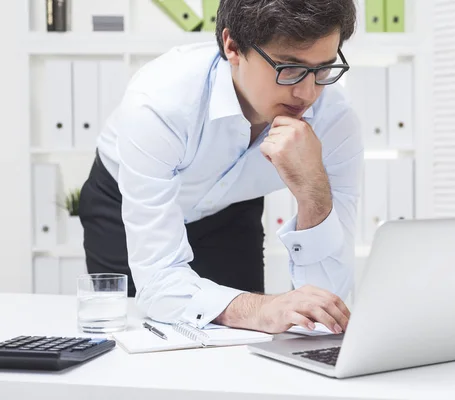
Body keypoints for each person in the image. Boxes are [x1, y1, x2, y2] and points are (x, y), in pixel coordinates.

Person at [79, 0, 363, 335]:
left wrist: (312, 190)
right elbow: (157, 281)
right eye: (288, 67)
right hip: (122, 202)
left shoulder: (336, 119)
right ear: (232, 46)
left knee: (244, 340)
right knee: (137, 334)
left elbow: (326, 297)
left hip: (232, 206)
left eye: (323, 69)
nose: (307, 92)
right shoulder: (160, 100)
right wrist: (262, 307)